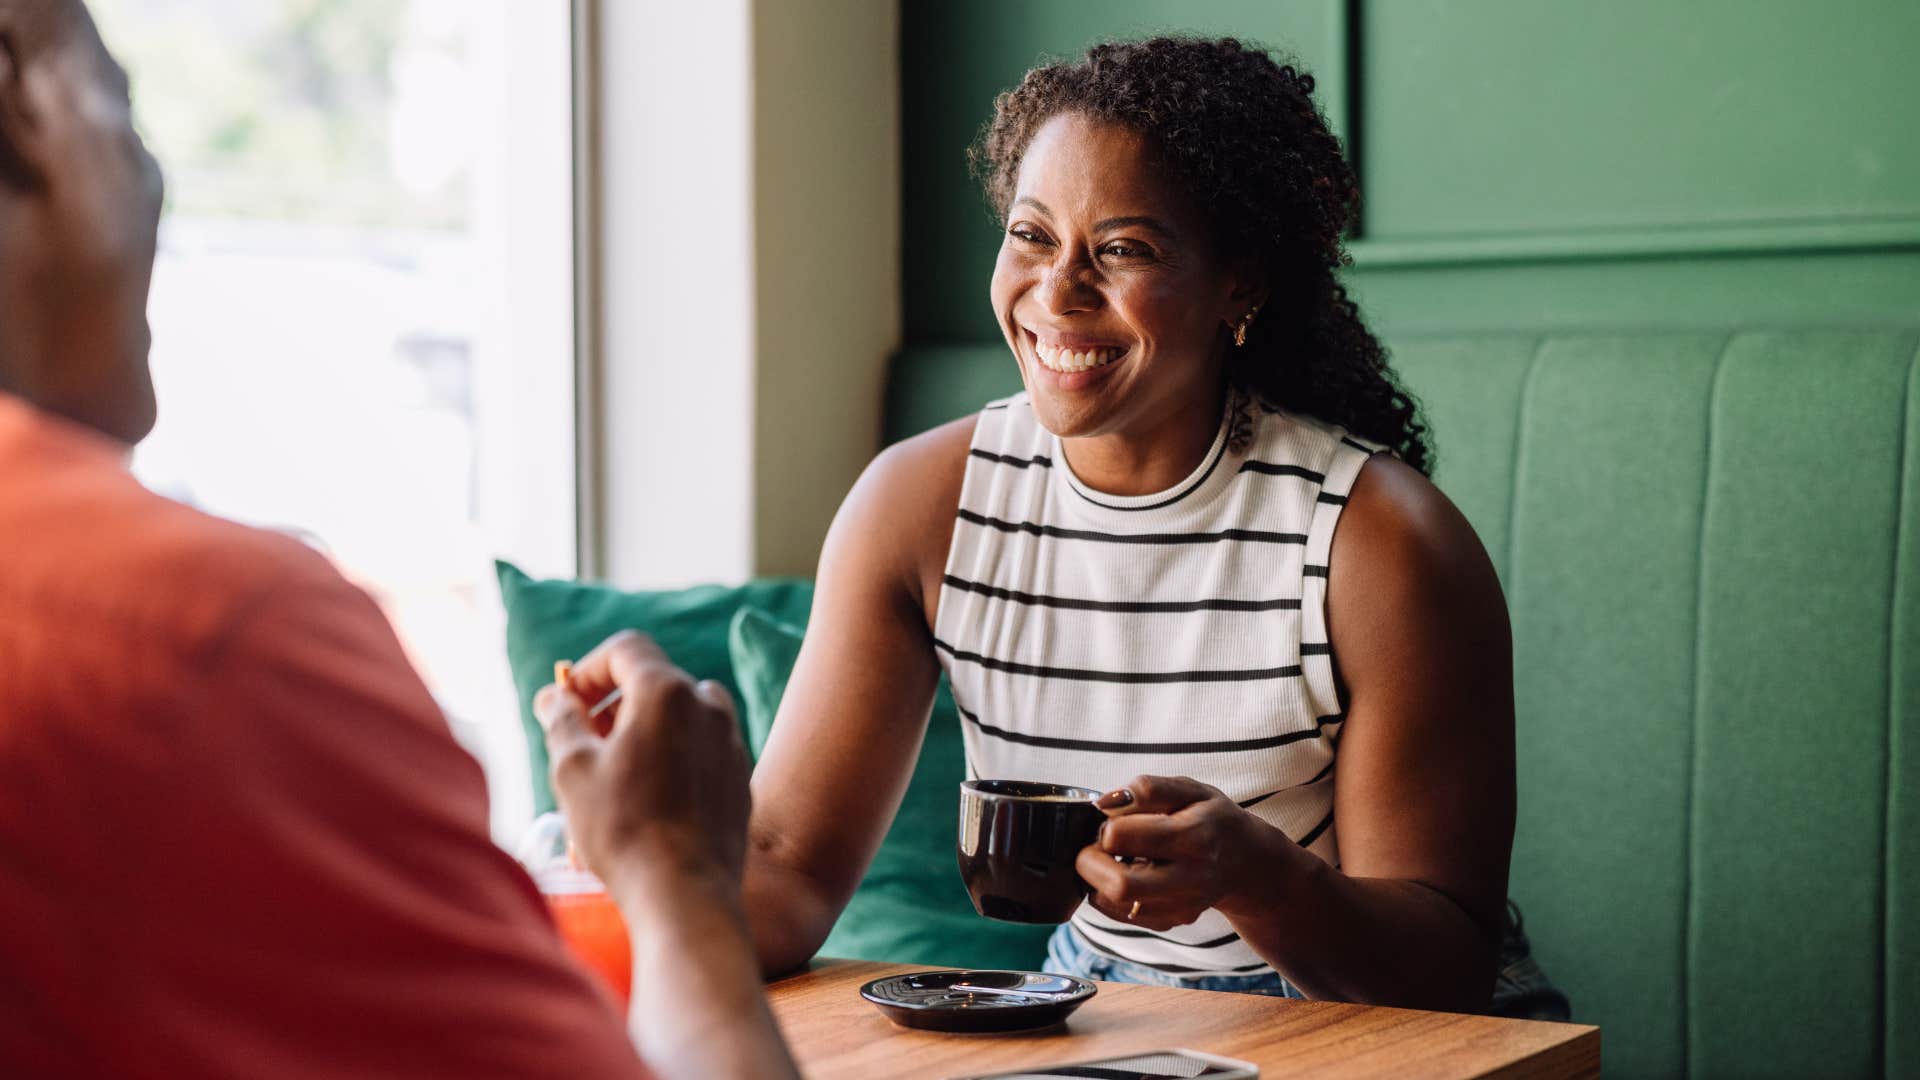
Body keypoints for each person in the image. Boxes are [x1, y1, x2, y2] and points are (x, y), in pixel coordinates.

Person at [0, 2, 797, 1075]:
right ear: (22, 111)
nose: (155, 191)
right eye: (126, 120)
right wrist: (677, 877)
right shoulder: (205, 633)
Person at [719, 37, 1566, 1017]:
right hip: (1099, 998)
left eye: (1123, 250)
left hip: (1373, 1021)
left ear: (1239, 285)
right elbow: (782, 866)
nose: (1058, 292)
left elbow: (1446, 969)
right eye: (1033, 235)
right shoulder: (920, 509)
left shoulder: (1377, 544)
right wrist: (631, 870)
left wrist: (1259, 876)